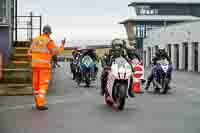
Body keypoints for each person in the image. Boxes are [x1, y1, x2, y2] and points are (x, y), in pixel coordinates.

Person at [27, 25, 65, 110]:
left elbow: (29, 53)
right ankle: (40, 104)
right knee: (43, 85)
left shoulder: (35, 40)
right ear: (49, 33)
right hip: (44, 67)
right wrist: (62, 45)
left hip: (35, 66)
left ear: (43, 31)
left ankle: (37, 102)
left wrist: (33, 62)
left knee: (36, 85)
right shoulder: (48, 41)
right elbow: (56, 52)